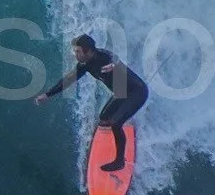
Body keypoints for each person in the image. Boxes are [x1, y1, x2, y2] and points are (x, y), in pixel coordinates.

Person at [35, 34, 149, 173]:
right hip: (120, 93)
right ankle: (119, 123)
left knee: (115, 123)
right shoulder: (85, 65)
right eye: (75, 51)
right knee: (104, 118)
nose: (75, 54)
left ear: (88, 51)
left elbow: (114, 58)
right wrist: (48, 95)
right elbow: (68, 80)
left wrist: (114, 65)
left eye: (78, 51)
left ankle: (120, 161)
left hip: (137, 92)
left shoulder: (104, 57)